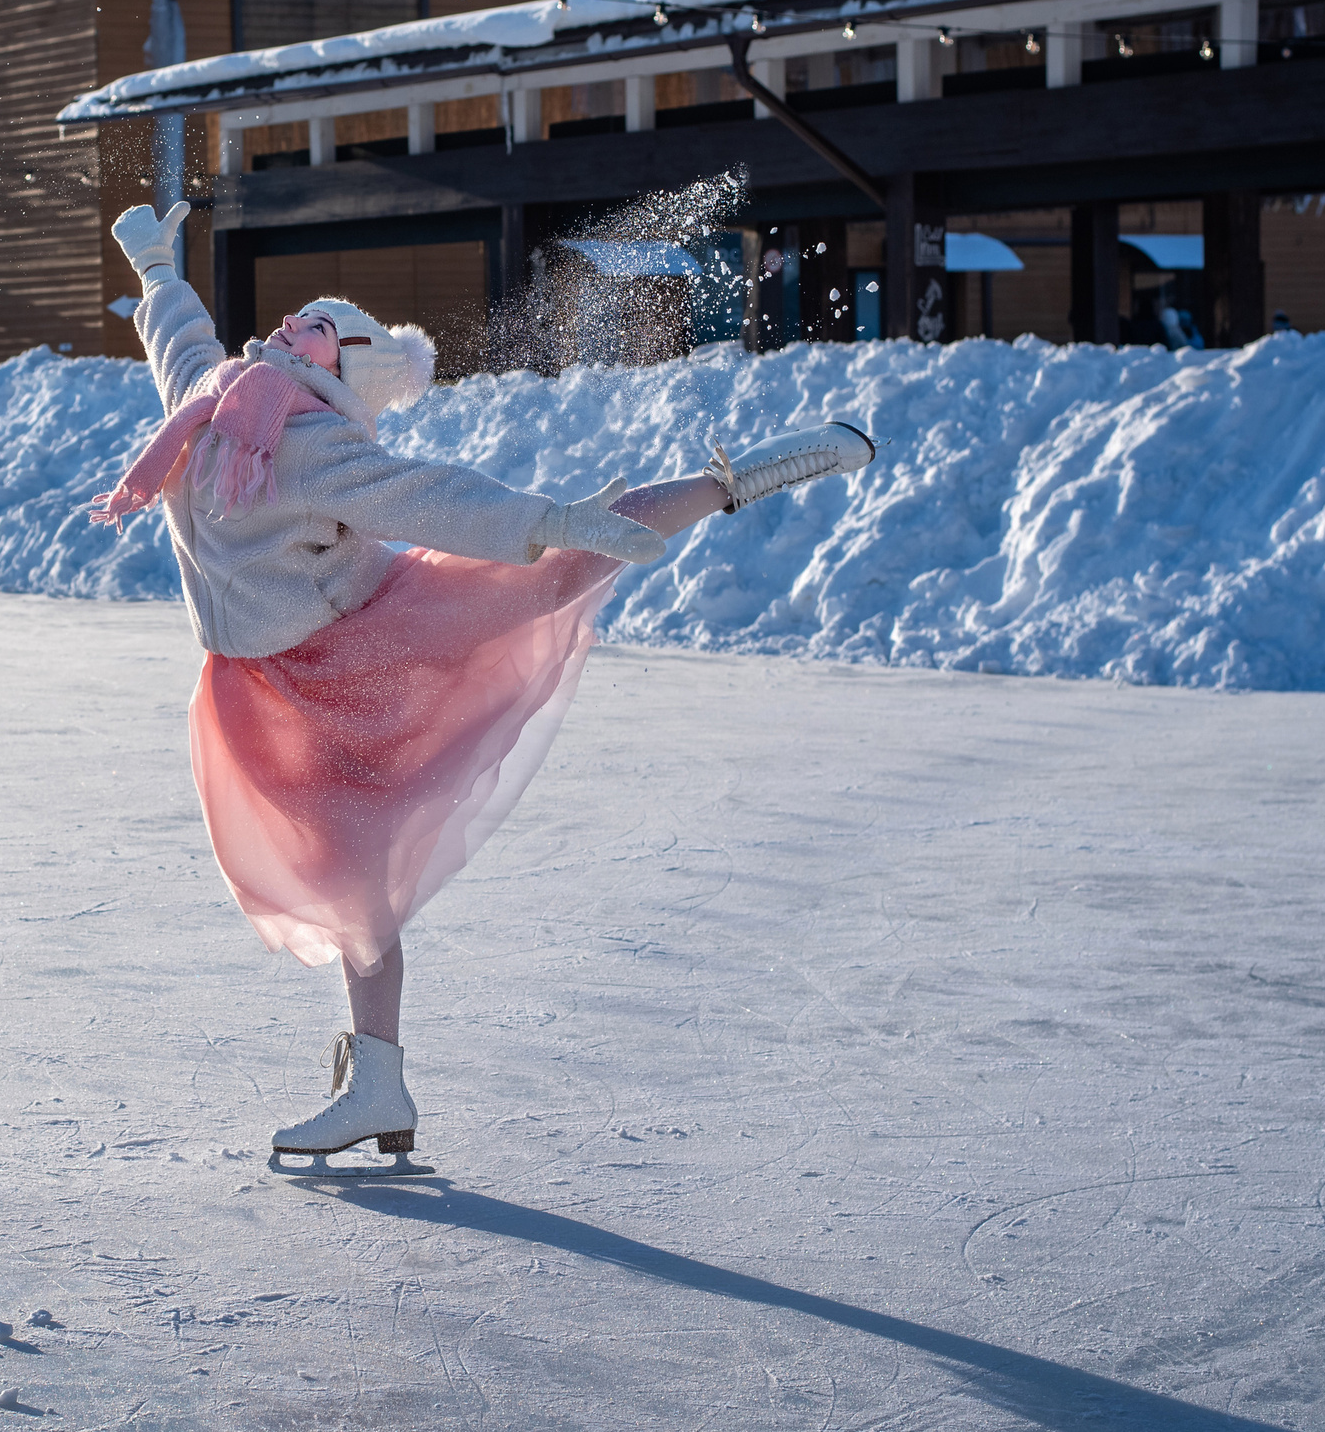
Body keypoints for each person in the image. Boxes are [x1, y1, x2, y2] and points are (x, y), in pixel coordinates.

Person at [95, 203, 875, 1173]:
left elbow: (431, 494)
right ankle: (376, 1077)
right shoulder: (241, 413)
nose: (288, 333)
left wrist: (156, 261)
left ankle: (738, 479)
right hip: (291, 679)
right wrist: (155, 263)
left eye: (307, 331)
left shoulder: (253, 421)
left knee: (557, 567)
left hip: (360, 647)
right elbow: (199, 348)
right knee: (357, 883)